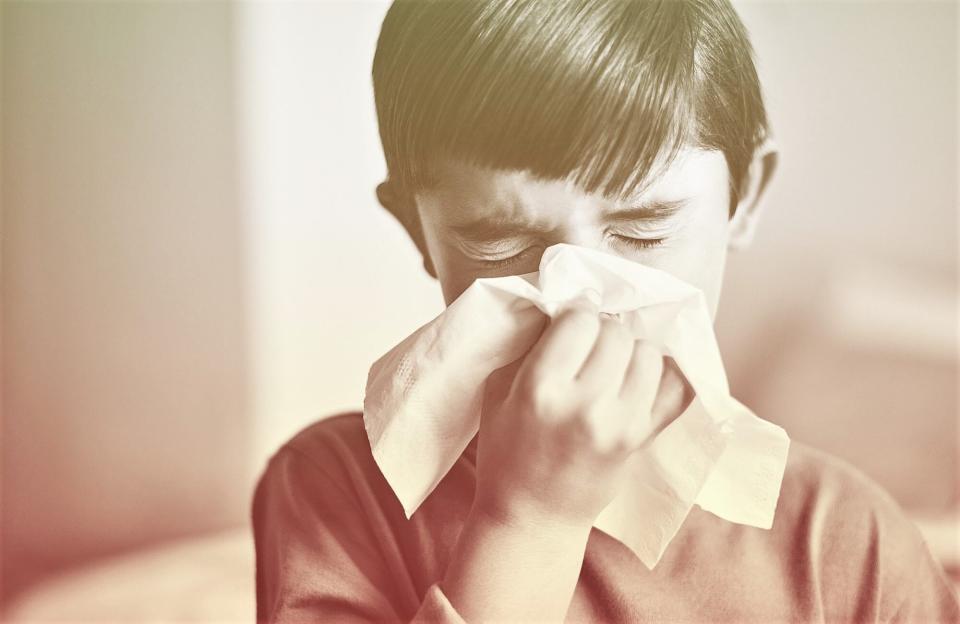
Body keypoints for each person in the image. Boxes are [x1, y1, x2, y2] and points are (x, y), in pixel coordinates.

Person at [252, 1, 960, 621]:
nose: (579, 293)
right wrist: (527, 518)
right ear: (418, 232)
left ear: (742, 198)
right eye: (501, 239)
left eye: (645, 229)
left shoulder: (848, 542)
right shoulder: (336, 492)